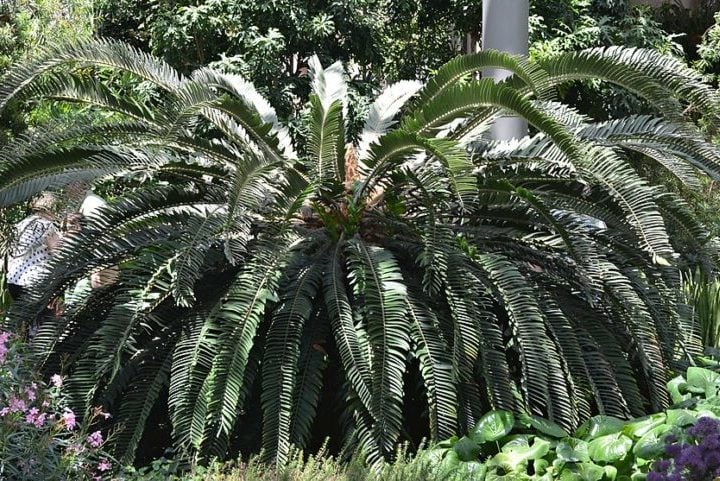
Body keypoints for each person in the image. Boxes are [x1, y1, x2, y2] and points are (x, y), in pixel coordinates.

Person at [6, 192, 60, 301]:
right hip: (34, 282)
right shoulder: (45, 225)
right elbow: (57, 250)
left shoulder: (21, 224)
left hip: (14, 280)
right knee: (43, 317)